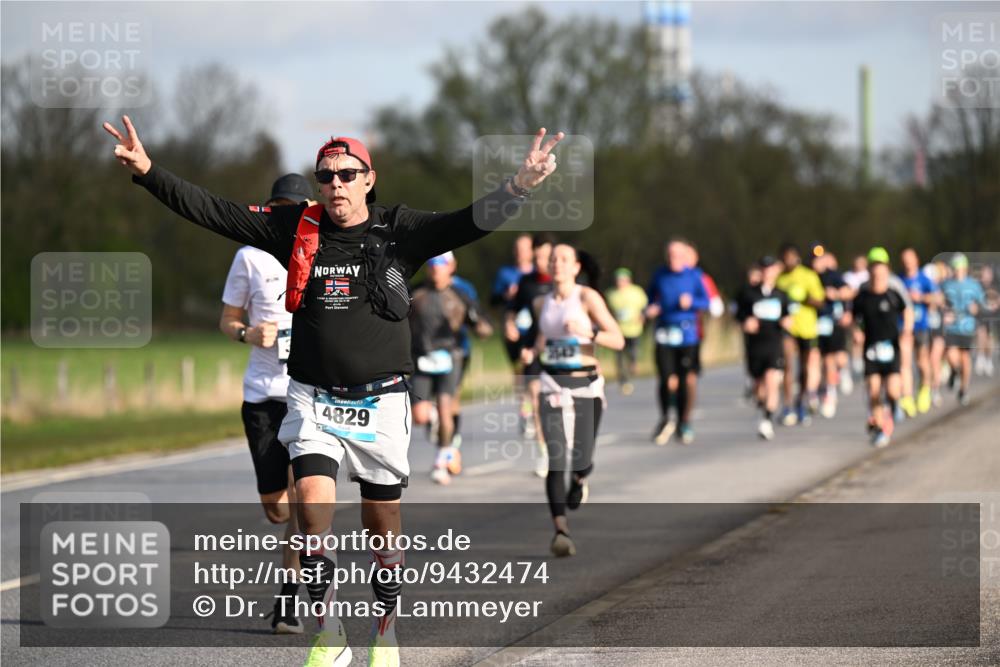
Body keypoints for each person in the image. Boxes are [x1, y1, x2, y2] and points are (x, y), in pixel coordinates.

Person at [105, 115, 563, 667]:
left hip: (380, 400)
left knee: (381, 528)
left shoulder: (399, 229)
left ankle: (385, 634)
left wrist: (519, 186)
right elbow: (215, 211)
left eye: (347, 174)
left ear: (370, 179)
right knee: (312, 510)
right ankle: (329, 634)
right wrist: (149, 171)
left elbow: (467, 223)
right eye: (326, 176)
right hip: (313, 396)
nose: (336, 184)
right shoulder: (295, 227)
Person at [219, 173, 313, 634]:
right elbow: (227, 319)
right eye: (279, 209)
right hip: (262, 396)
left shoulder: (320, 252)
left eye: (294, 209)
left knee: (300, 499)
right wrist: (247, 333)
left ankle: (289, 598)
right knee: (277, 508)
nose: (286, 216)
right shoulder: (249, 256)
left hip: (306, 394)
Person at [521, 244, 624, 556]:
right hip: (552, 384)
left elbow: (618, 339)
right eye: (553, 259)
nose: (557, 264)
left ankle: (579, 479)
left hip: (585, 386)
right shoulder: (540, 303)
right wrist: (532, 351)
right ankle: (561, 531)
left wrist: (588, 332)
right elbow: (543, 338)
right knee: (556, 460)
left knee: (582, 457)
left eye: (564, 259)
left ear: (577, 267)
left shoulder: (587, 297)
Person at [409, 252, 492, 485]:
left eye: (441, 265)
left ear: (451, 267)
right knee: (419, 416)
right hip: (422, 357)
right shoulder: (416, 293)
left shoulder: (460, 294)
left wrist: (479, 325)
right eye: (432, 264)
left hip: (452, 356)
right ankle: (433, 416)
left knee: (447, 408)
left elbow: (483, 327)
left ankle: (441, 460)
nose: (436, 269)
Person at [646, 239, 710, 445]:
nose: (672, 259)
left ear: (684, 257)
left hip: (687, 334)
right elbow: (650, 298)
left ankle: (684, 421)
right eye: (670, 255)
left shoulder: (694, 276)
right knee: (665, 378)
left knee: (684, 380)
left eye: (677, 255)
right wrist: (651, 308)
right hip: (664, 331)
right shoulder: (659, 274)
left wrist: (691, 302)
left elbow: (706, 301)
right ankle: (666, 417)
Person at [505, 233, 556, 477]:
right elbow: (512, 309)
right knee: (536, 399)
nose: (540, 263)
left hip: (561, 349)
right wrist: (509, 324)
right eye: (536, 258)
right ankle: (544, 452)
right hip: (533, 348)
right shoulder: (526, 282)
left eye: (545, 257)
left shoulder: (565, 281)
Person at [852, 247, 913, 447]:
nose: (877, 271)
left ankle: (894, 406)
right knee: (874, 391)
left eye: (880, 266)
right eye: (873, 266)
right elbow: (854, 318)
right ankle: (879, 428)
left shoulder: (894, 291)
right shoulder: (862, 294)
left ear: (887, 268)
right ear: (869, 269)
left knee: (893, 391)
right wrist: (857, 332)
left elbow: (907, 311)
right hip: (871, 349)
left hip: (891, 347)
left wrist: (906, 331)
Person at [735, 256, 792, 440]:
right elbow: (738, 313)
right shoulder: (748, 293)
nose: (768, 272)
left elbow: (789, 315)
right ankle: (762, 409)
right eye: (764, 269)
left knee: (772, 380)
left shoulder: (781, 294)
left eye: (771, 269)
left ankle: (767, 419)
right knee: (759, 387)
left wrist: (787, 322)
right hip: (755, 344)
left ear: (777, 271)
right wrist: (745, 322)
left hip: (774, 342)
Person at [775, 243, 825, 426]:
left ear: (797, 258)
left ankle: (801, 402)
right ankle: (787, 405)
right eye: (785, 258)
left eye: (791, 257)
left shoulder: (808, 275)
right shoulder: (779, 278)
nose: (788, 261)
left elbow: (820, 301)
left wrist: (804, 298)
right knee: (787, 365)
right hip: (787, 329)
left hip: (807, 328)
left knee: (804, 368)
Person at [811, 246, 853, 418]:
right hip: (819, 324)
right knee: (827, 360)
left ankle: (843, 371)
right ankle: (830, 393)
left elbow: (848, 292)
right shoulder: (810, 276)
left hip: (835, 322)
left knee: (840, 358)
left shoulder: (834, 275)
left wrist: (835, 294)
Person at [941, 253, 986, 406]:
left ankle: (963, 389)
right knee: (951, 354)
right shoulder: (946, 284)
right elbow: (941, 302)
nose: (958, 271)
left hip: (967, 327)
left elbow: (982, 303)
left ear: (965, 269)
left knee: (965, 358)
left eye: (960, 268)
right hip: (951, 327)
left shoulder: (973, 285)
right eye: (955, 268)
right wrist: (945, 312)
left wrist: (976, 308)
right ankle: (955, 371)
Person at [898, 248, 939, 415]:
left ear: (916, 260)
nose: (907, 263)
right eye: (904, 260)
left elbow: (938, 297)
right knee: (905, 363)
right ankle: (907, 397)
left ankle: (924, 390)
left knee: (922, 362)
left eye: (910, 259)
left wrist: (920, 298)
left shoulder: (924, 279)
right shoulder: (899, 280)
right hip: (903, 327)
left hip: (921, 326)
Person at [605, 267, 648, 395]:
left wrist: (642, 316)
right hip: (618, 331)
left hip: (634, 329)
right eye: (618, 280)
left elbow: (645, 306)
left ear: (628, 280)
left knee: (632, 354)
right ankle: (623, 381)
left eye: (623, 280)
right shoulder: (611, 293)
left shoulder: (637, 291)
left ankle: (633, 365)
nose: (620, 282)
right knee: (619, 358)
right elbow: (606, 310)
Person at [843, 254, 870, 377]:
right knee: (853, 338)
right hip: (851, 311)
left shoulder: (868, 276)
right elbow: (845, 293)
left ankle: (860, 359)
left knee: (862, 337)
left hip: (865, 311)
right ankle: (853, 362)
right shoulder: (848, 276)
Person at [974, 263, 998, 377]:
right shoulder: (978, 286)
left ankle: (988, 359)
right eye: (984, 273)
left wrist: (995, 304)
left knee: (990, 338)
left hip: (992, 316)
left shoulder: (995, 286)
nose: (986, 276)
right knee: (981, 334)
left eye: (988, 273)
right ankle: (980, 357)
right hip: (980, 315)